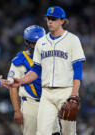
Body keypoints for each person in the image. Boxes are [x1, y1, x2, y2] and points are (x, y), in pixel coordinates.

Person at [11, 6, 86, 135]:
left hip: (66, 91)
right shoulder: (41, 42)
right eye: (48, 19)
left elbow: (78, 70)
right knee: (42, 132)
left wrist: (74, 93)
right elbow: (36, 70)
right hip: (46, 94)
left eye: (53, 19)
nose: (50, 21)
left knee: (68, 132)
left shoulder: (73, 40)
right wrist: (21, 80)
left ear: (62, 21)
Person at [8, 25, 60, 135]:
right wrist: (17, 111)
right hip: (31, 106)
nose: (36, 45)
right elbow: (13, 87)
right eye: (33, 43)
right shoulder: (20, 60)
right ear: (27, 42)